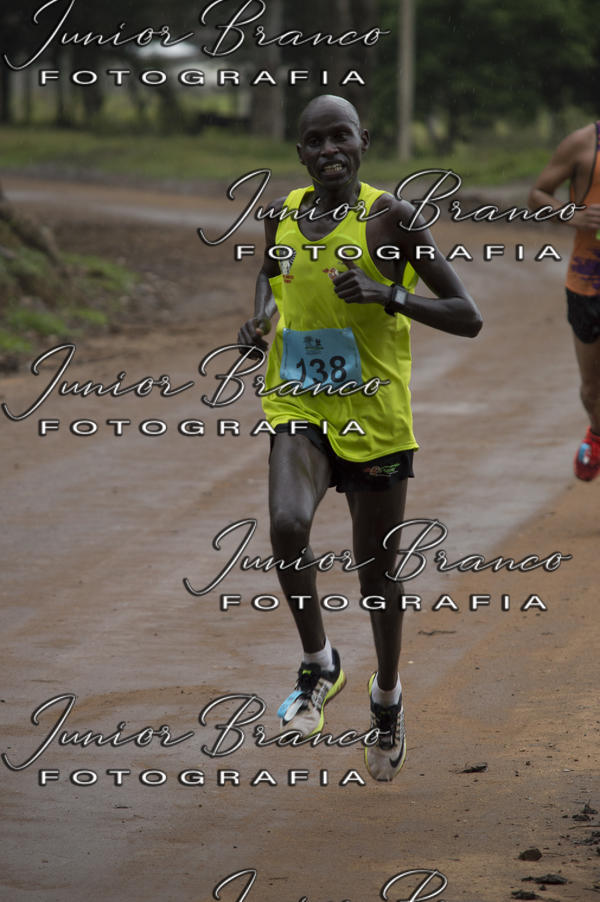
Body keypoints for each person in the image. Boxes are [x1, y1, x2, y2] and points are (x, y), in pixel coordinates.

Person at [238, 94, 482, 781]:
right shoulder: (281, 216)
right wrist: (258, 323)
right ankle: (319, 664)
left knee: (377, 574)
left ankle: (387, 699)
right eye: (314, 141)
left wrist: (388, 296)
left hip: (374, 416)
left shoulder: (392, 219)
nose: (327, 151)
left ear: (363, 140)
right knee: (287, 524)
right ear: (300, 152)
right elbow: (271, 277)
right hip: (299, 404)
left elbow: (468, 315)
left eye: (339, 136)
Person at [529, 122, 600, 481]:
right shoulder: (584, 144)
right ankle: (597, 434)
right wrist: (572, 214)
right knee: (593, 390)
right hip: (589, 284)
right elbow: (537, 195)